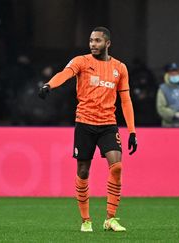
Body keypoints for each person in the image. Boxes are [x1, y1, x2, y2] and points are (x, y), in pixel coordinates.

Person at [38, 26, 137, 232]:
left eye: (98, 41)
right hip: (84, 123)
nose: (93, 44)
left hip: (108, 124)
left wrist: (132, 131)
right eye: (91, 40)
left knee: (117, 167)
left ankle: (110, 218)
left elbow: (125, 100)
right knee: (83, 171)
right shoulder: (81, 61)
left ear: (107, 43)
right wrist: (49, 85)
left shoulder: (120, 68)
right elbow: (64, 74)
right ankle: (86, 220)